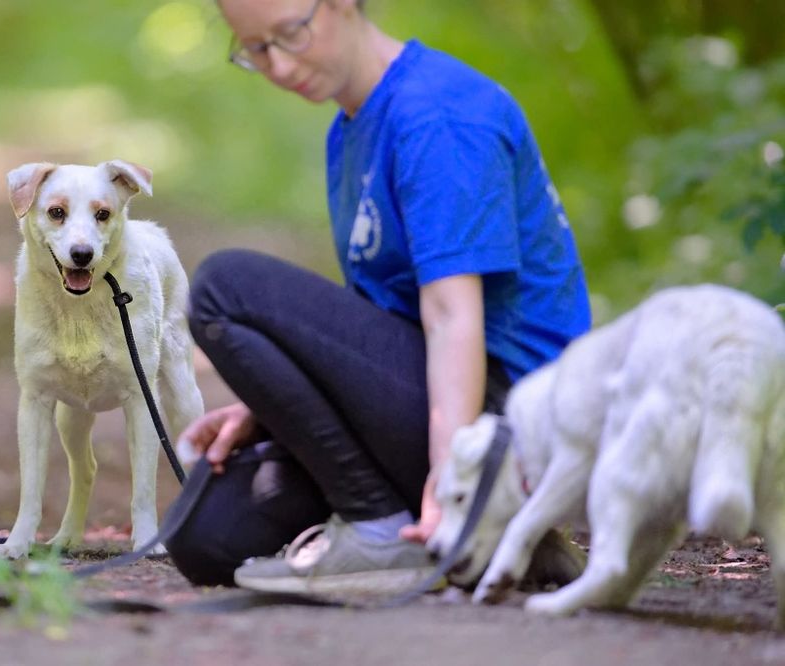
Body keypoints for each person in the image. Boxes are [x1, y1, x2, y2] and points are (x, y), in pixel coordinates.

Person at [165, 0, 592, 593]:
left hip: (506, 423)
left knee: (223, 287)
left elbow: (451, 316)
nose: (280, 66)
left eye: (290, 34)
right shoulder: (353, 124)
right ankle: (518, 550)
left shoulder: (437, 114)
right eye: (256, 50)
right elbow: (380, 319)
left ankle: (389, 530)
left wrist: (451, 481)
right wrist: (274, 397)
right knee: (209, 536)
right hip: (437, 393)